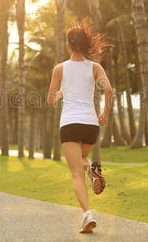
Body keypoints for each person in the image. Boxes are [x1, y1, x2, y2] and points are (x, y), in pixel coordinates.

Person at [47, 19, 112, 234]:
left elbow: (50, 100)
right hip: (90, 124)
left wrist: (62, 91)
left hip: (69, 125)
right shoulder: (95, 67)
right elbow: (109, 90)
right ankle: (92, 170)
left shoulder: (59, 69)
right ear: (85, 45)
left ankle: (87, 214)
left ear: (68, 45)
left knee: (76, 172)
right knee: (81, 161)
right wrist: (105, 113)